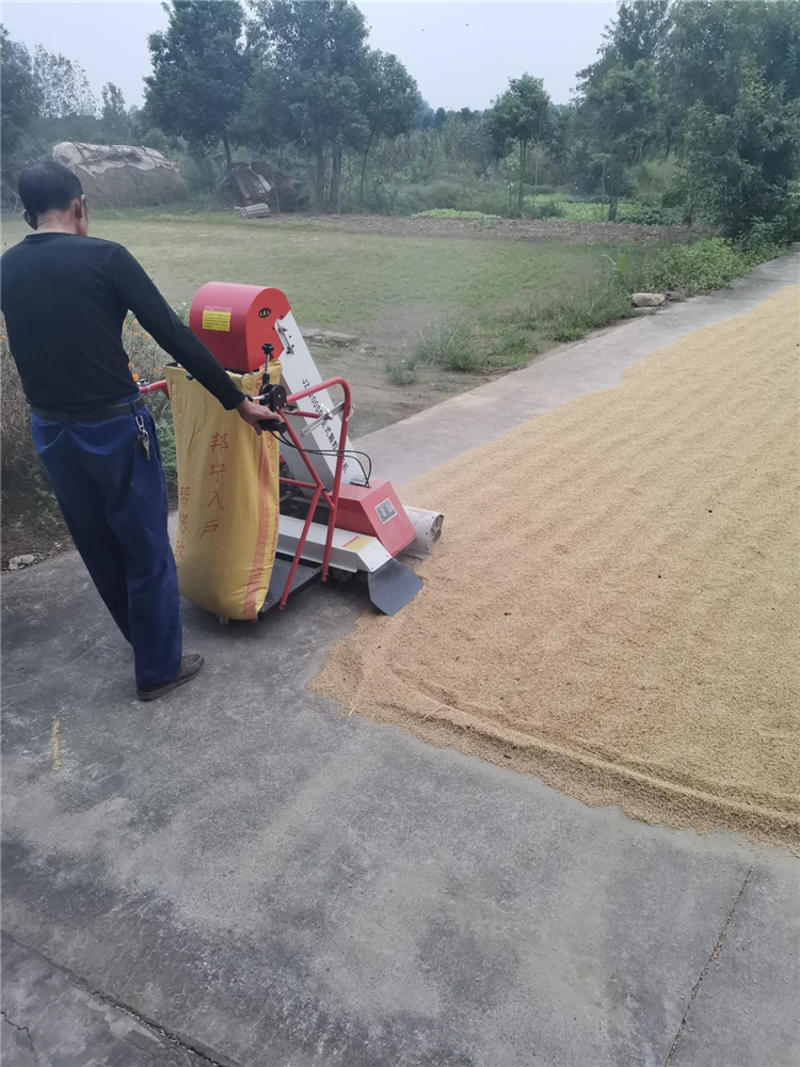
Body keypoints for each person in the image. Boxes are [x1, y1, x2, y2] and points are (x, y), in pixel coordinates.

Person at [0, 161, 268, 700]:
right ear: (79, 206)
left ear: (26, 214)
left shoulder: (6, 268)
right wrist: (238, 401)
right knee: (146, 549)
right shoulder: (106, 258)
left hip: (51, 431)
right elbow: (172, 333)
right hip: (115, 430)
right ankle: (159, 667)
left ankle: (145, 645)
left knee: (99, 547)